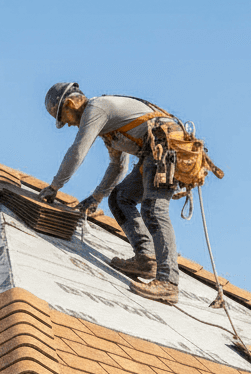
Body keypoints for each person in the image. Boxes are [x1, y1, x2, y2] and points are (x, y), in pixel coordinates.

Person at [39, 82, 181, 305]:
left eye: (63, 116)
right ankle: (146, 259)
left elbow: (78, 151)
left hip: (166, 149)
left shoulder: (97, 109)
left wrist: (54, 187)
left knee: (154, 210)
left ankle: (168, 283)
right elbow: (117, 167)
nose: (67, 124)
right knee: (119, 198)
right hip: (153, 153)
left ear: (71, 102)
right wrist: (96, 197)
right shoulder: (108, 127)